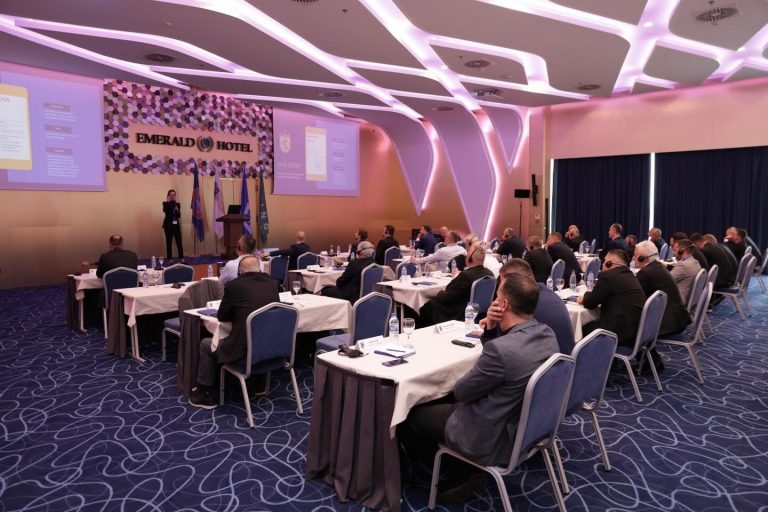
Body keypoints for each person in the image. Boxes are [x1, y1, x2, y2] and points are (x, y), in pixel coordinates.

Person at [404, 274, 558, 503]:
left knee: (411, 413)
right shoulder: (548, 334)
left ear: (503, 304)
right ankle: (459, 464)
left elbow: (462, 392)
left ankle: (461, 466)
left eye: (497, 296)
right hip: (523, 428)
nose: (494, 301)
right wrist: (492, 329)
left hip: (485, 435)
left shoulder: (502, 350)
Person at [189, 256, 280, 408]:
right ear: (259, 269)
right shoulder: (272, 283)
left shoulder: (234, 286)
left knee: (206, 344)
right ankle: (259, 383)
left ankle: (204, 393)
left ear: (240, 272)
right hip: (270, 349)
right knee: (256, 335)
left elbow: (222, 316)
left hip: (245, 352)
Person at [481, 258, 574, 354]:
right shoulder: (549, 295)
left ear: (516, 283)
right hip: (561, 360)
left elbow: (497, 350)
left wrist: (491, 326)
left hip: (538, 360)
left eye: (503, 284)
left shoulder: (526, 305)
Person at [578, 249, 645, 347]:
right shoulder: (630, 275)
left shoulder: (607, 276)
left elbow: (590, 303)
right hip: (634, 331)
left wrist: (584, 297)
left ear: (609, 263)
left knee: (579, 329)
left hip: (617, 333)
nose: (602, 264)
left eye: (605, 261)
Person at [417, 243, 493, 326]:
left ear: (469, 258)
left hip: (458, 313)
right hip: (480, 313)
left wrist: (439, 292)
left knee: (426, 305)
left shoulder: (465, 275)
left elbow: (447, 297)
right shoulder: (490, 274)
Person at [633, 241, 691, 338]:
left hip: (666, 324)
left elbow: (634, 298)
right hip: (677, 320)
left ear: (643, 258)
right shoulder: (657, 266)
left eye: (635, 255)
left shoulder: (645, 273)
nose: (633, 258)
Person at [670, 239, 702, 305]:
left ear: (681, 251)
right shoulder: (695, 262)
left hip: (677, 301)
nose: (674, 253)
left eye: (675, 250)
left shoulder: (683, 265)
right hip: (688, 298)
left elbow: (666, 281)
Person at [162, 189, 184, 260]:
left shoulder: (177, 204)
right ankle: (170, 260)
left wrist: (177, 210)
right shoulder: (165, 204)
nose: (173, 196)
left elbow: (178, 216)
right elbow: (166, 211)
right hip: (168, 226)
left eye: (174, 194)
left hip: (176, 226)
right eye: (171, 195)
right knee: (169, 243)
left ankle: (182, 258)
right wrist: (168, 202)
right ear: (168, 196)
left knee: (179, 243)